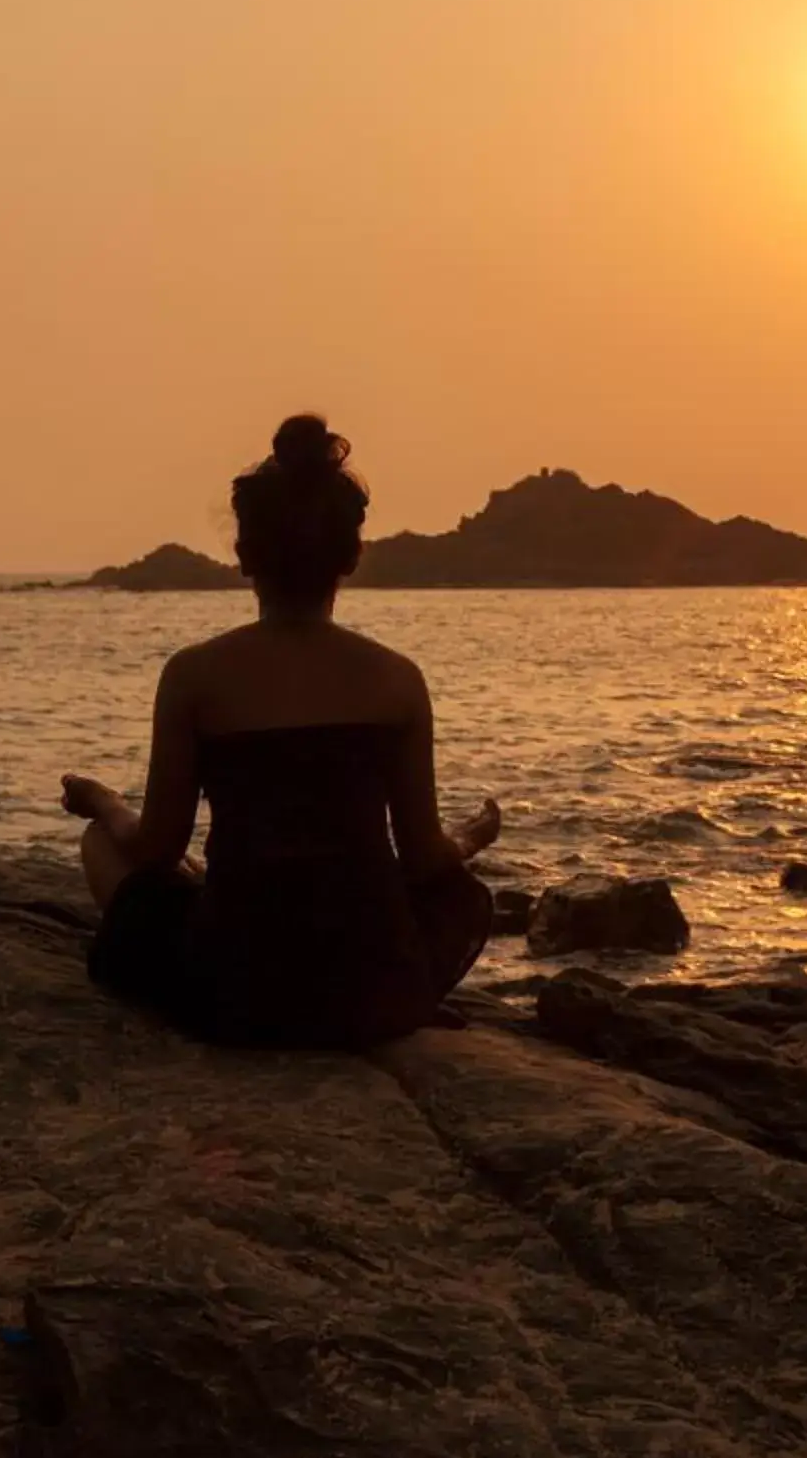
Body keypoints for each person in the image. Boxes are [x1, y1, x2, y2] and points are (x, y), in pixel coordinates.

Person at [61, 415, 503, 1050]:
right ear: (351, 556)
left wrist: (103, 802)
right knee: (459, 893)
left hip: (236, 988)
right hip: (366, 988)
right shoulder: (397, 680)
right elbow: (425, 858)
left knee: (102, 848)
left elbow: (154, 848)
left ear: (243, 555)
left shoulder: (193, 676)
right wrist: (470, 836)